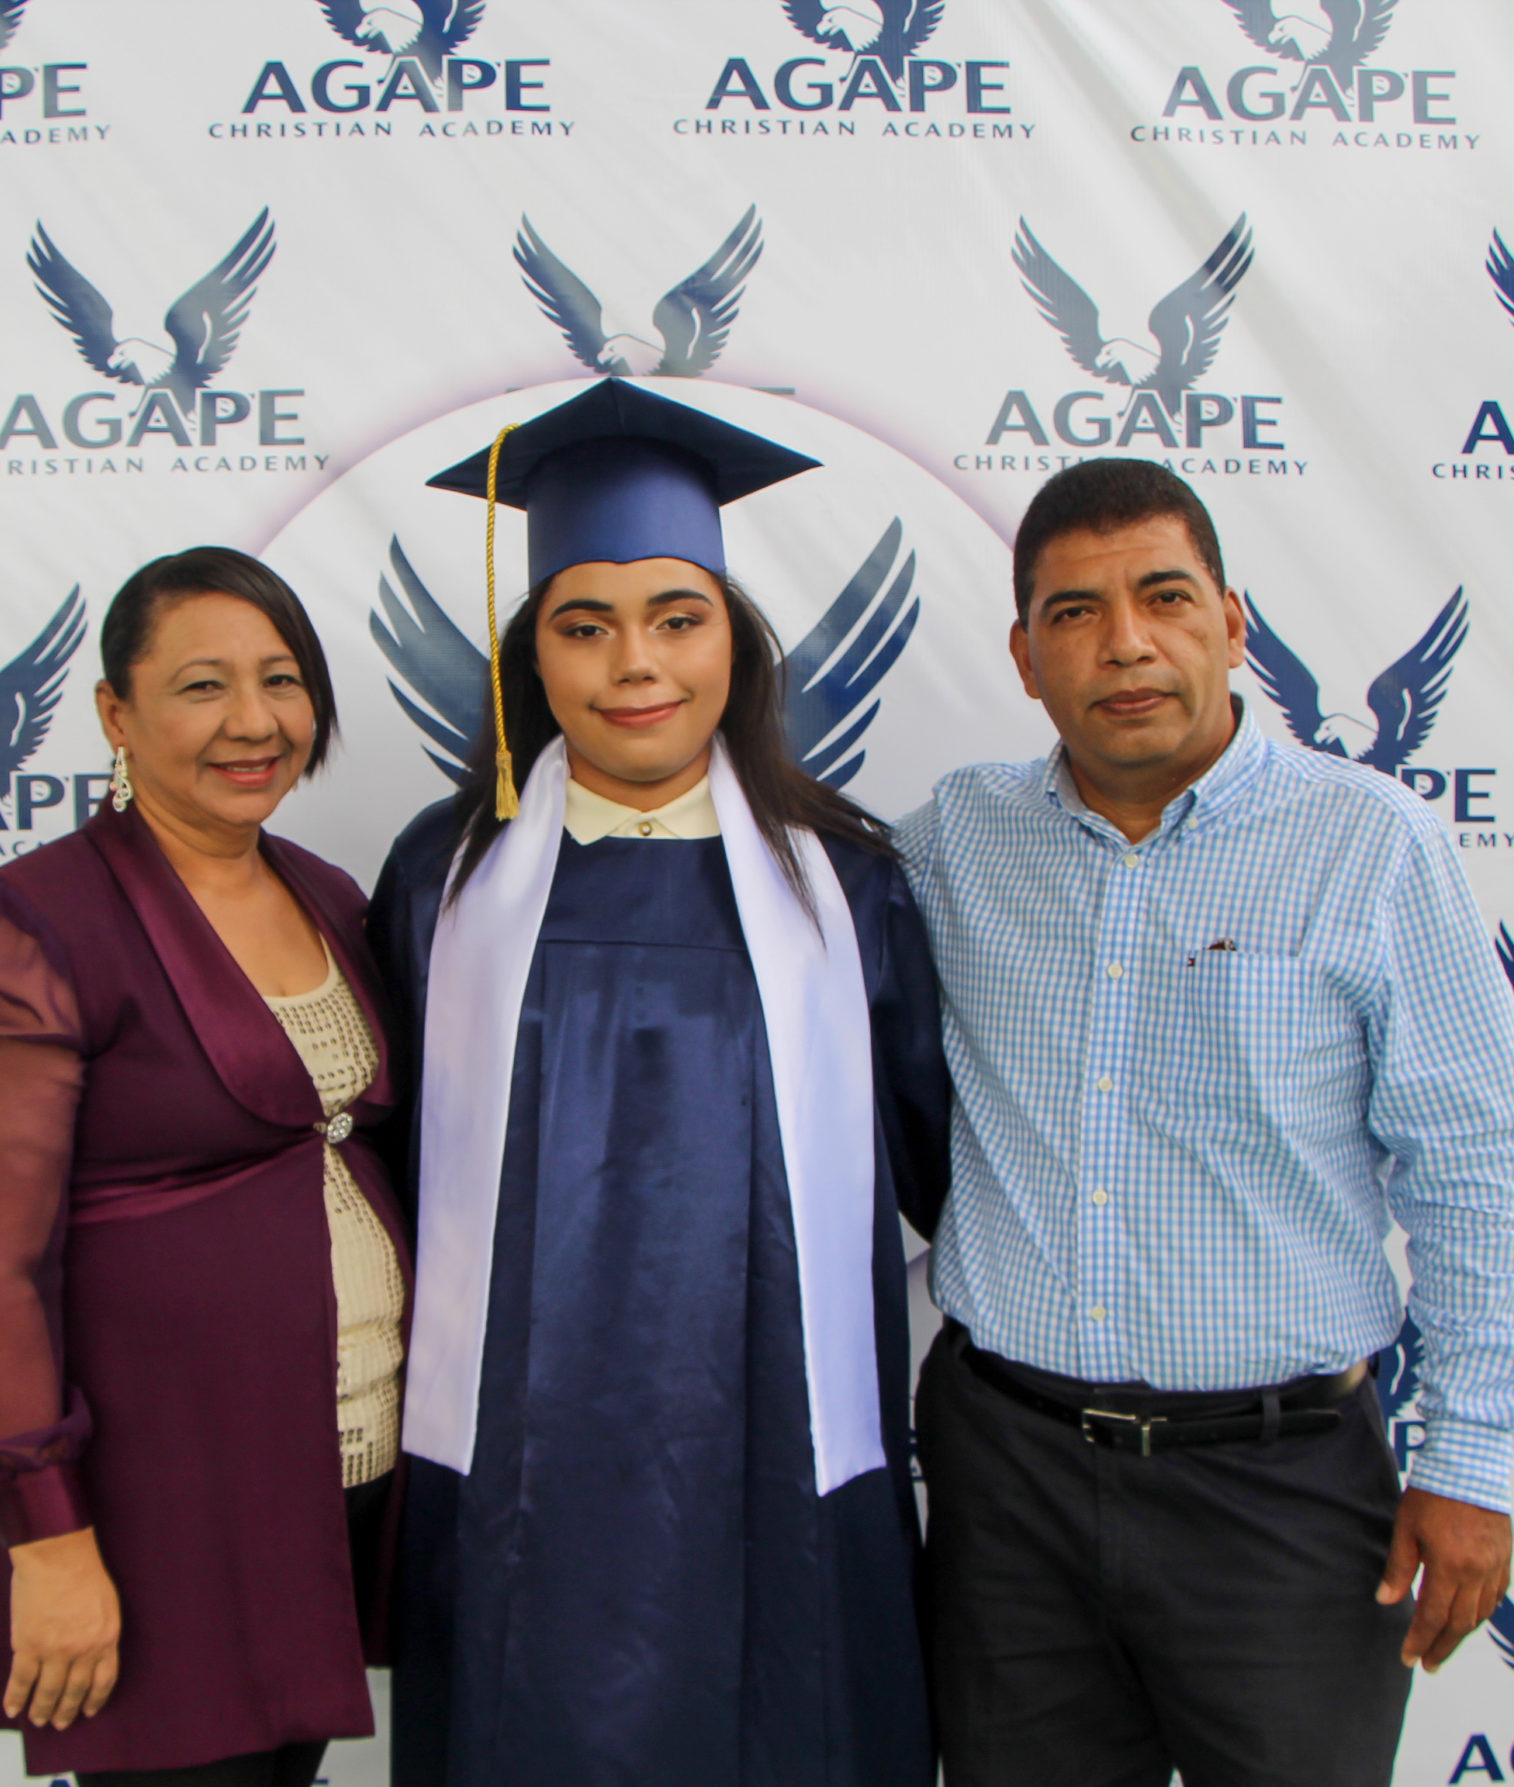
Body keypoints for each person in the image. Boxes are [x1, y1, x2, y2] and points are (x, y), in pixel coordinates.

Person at [894, 459, 1514, 1787]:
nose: (1125, 643)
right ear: (1024, 657)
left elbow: (1476, 1164)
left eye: (1164, 596)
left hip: (1282, 1491)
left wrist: (1470, 1457)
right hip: (1008, 1479)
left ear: (1234, 623)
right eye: (1074, 612)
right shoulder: (954, 842)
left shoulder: (1368, 844)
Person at [366, 379, 947, 1787]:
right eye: (585, 624)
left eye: (677, 618)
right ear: (532, 654)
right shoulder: (446, 878)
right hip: (517, 1457)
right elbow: (386, 1171)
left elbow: (939, 1163)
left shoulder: (844, 885)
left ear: (734, 640)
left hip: (777, 1440)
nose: (635, 664)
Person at [0, 547, 406, 1787]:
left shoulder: (326, 892)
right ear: (115, 714)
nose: (254, 721)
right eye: (202, 685)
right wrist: (47, 1535)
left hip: (342, 1467)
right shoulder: (27, 925)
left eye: (282, 679)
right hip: (159, 1498)